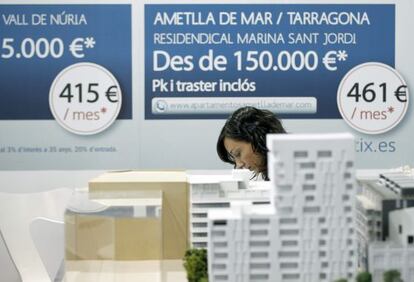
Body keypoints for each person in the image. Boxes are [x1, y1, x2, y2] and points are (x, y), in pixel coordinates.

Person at [217, 106, 286, 180]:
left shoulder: (293, 172)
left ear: (258, 138)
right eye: (234, 158)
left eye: (238, 154)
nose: (238, 165)